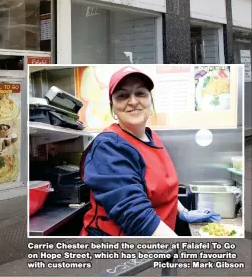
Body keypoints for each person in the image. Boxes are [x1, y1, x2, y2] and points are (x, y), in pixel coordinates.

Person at [80, 66, 220, 236]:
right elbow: (137, 217)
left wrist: (183, 211)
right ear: (112, 107)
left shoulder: (151, 136)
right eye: (122, 96)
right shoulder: (109, 146)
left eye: (140, 93)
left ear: (150, 100)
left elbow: (161, 190)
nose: (132, 101)